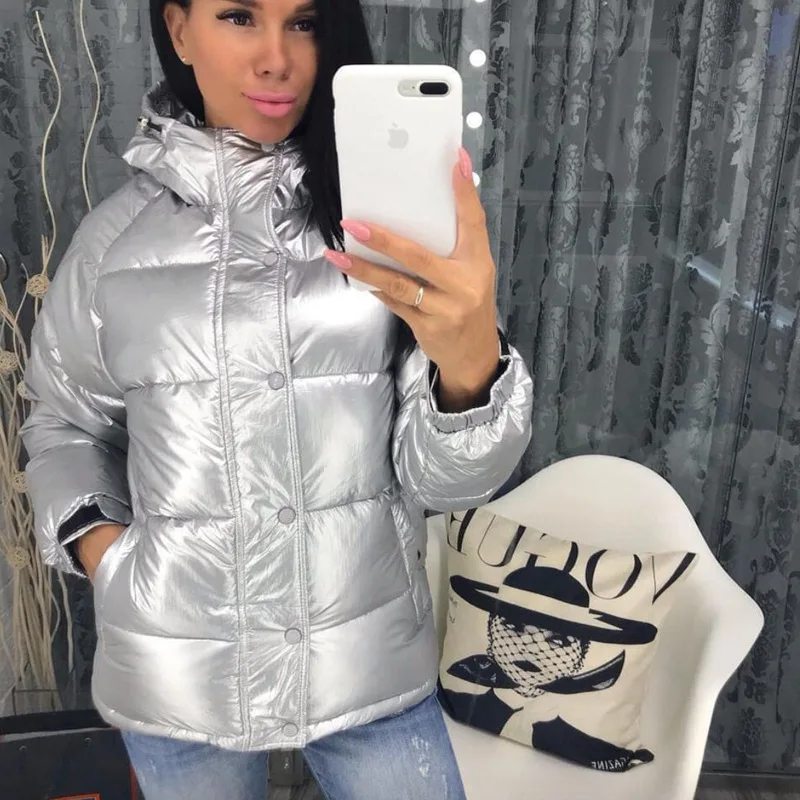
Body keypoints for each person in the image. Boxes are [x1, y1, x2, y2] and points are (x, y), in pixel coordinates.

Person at [20, 0, 533, 798]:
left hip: (366, 656)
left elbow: (446, 482)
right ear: (179, 30)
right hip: (176, 670)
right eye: (239, 17)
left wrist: (471, 366)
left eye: (304, 23)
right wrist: (106, 554)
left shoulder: (388, 235)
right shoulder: (113, 247)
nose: (276, 58)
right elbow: (62, 424)